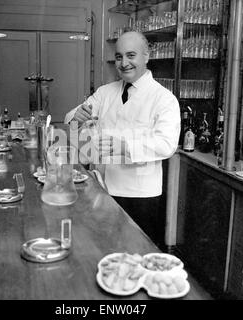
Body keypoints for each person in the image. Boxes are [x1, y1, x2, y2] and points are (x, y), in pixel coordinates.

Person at [64, 31, 180, 242]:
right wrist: (76, 118)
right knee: (102, 249)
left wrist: (125, 146)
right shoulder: (105, 92)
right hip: (100, 186)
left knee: (135, 255)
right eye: (119, 57)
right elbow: (69, 120)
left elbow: (167, 144)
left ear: (146, 56)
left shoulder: (164, 99)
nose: (124, 63)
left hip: (139, 196)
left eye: (131, 55)